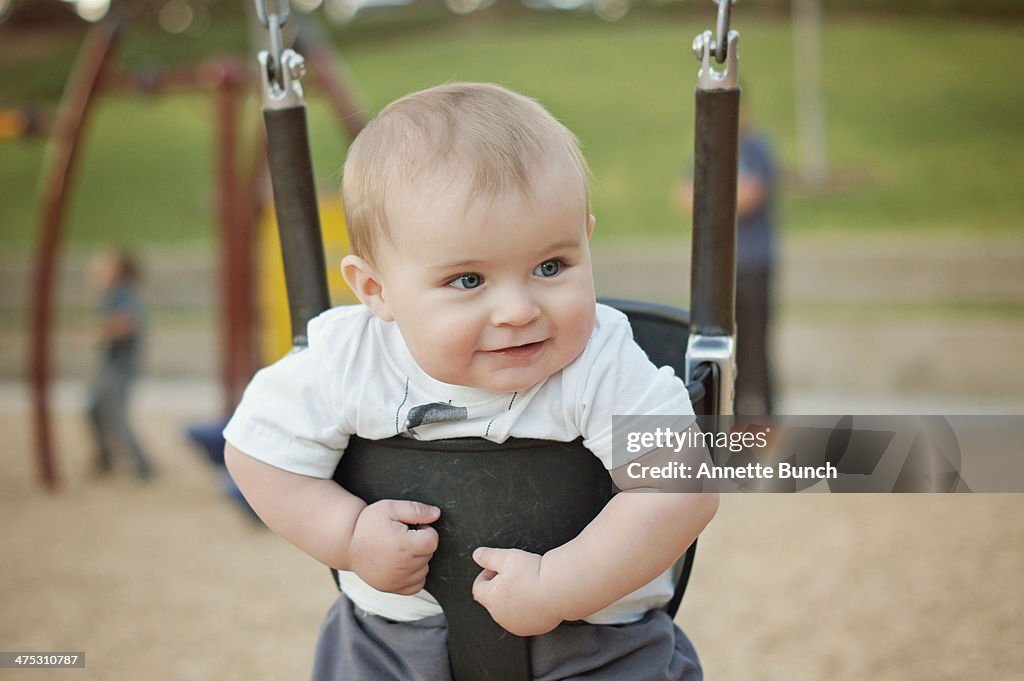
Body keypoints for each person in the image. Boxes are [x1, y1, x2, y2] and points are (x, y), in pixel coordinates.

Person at [224, 83, 718, 681]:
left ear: (586, 241)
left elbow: (681, 487)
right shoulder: (348, 358)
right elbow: (256, 451)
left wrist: (559, 586)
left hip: (595, 643)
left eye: (550, 267)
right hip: (390, 641)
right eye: (467, 280)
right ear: (376, 290)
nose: (517, 310)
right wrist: (348, 535)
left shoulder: (602, 359)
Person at [676, 95, 778, 416]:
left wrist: (711, 198)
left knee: (756, 341)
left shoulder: (757, 149)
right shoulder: (705, 149)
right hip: (717, 270)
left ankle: (764, 413)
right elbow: (682, 199)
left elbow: (752, 196)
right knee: (724, 343)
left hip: (754, 262)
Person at [87, 247, 154, 480]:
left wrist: (101, 333)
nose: (97, 271)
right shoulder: (114, 294)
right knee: (95, 409)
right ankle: (105, 458)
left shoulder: (123, 295)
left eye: (104, 268)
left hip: (121, 366)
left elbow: (127, 323)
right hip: (113, 365)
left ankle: (142, 465)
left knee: (114, 414)